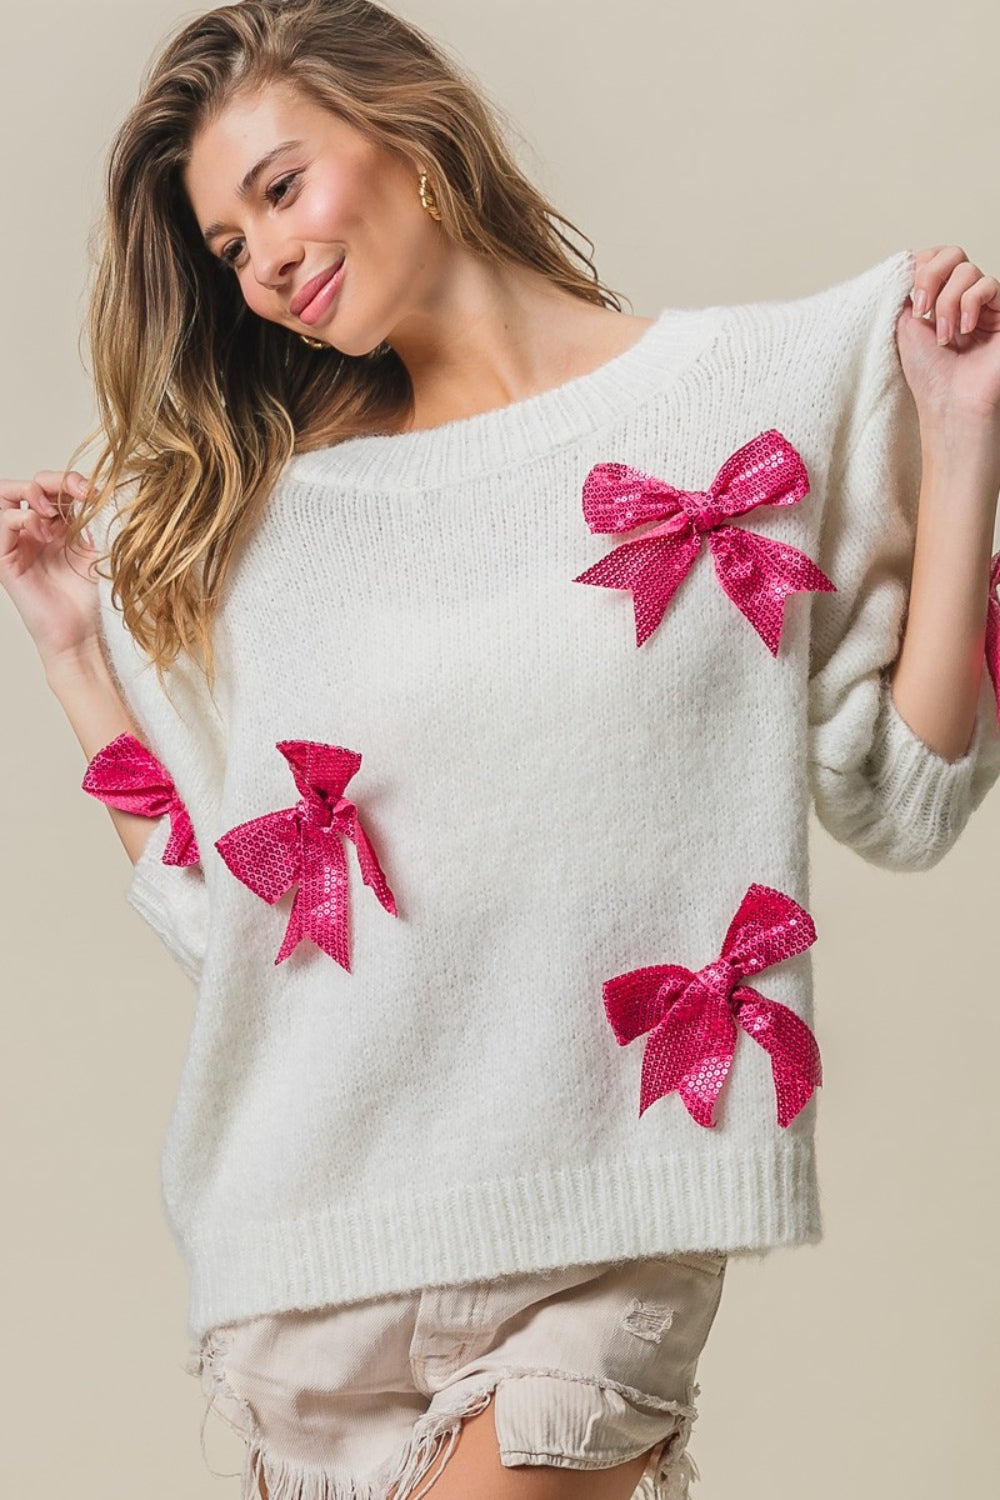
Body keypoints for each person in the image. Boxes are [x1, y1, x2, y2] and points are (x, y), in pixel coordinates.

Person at [4, 1, 1000, 1496]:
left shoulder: (762, 392)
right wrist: (79, 654)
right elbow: (236, 924)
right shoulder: (274, 530)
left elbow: (904, 796)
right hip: (316, 1244)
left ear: (408, 130)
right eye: (225, 245)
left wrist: (967, 432)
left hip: (607, 1227)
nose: (262, 260)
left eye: (278, 189)